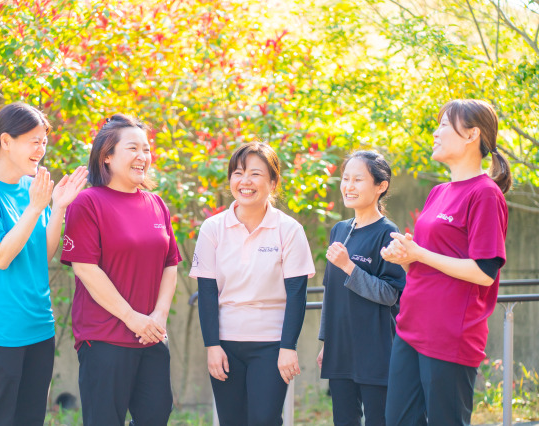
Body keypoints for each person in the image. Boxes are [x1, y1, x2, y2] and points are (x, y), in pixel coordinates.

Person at [0, 102, 88, 426]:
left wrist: (58, 207)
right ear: (6, 141)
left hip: (39, 328)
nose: (41, 149)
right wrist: (34, 209)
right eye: (34, 141)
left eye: (44, 141)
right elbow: (0, 258)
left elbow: (43, 255)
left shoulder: (32, 188)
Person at [381, 99, 510, 425]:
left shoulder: (485, 194)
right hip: (411, 328)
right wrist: (405, 257)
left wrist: (419, 254)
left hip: (450, 335)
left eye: (443, 125)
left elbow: (484, 271)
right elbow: (427, 263)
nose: (435, 133)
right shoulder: (438, 192)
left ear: (472, 135)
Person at [60, 114, 181, 426]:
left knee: (156, 417)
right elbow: (85, 268)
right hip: (104, 339)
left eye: (146, 149)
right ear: (107, 156)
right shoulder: (87, 203)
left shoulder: (157, 204)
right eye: (133, 149)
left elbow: (170, 264)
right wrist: (131, 318)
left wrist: (159, 317)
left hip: (151, 336)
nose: (143, 156)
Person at [190, 142, 316, 426]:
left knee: (264, 419)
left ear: (273, 182)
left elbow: (297, 295)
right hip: (225, 344)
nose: (245, 181)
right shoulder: (212, 228)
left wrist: (288, 347)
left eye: (255, 174)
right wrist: (212, 346)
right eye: (238, 173)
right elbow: (207, 293)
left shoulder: (289, 230)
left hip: (272, 344)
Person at [316, 150, 406, 426]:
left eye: (358, 179)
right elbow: (330, 293)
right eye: (345, 179)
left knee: (379, 420)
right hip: (340, 348)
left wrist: (349, 267)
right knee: (344, 420)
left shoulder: (388, 233)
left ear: (381, 186)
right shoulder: (339, 230)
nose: (349, 186)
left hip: (375, 350)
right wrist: (326, 342)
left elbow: (391, 294)